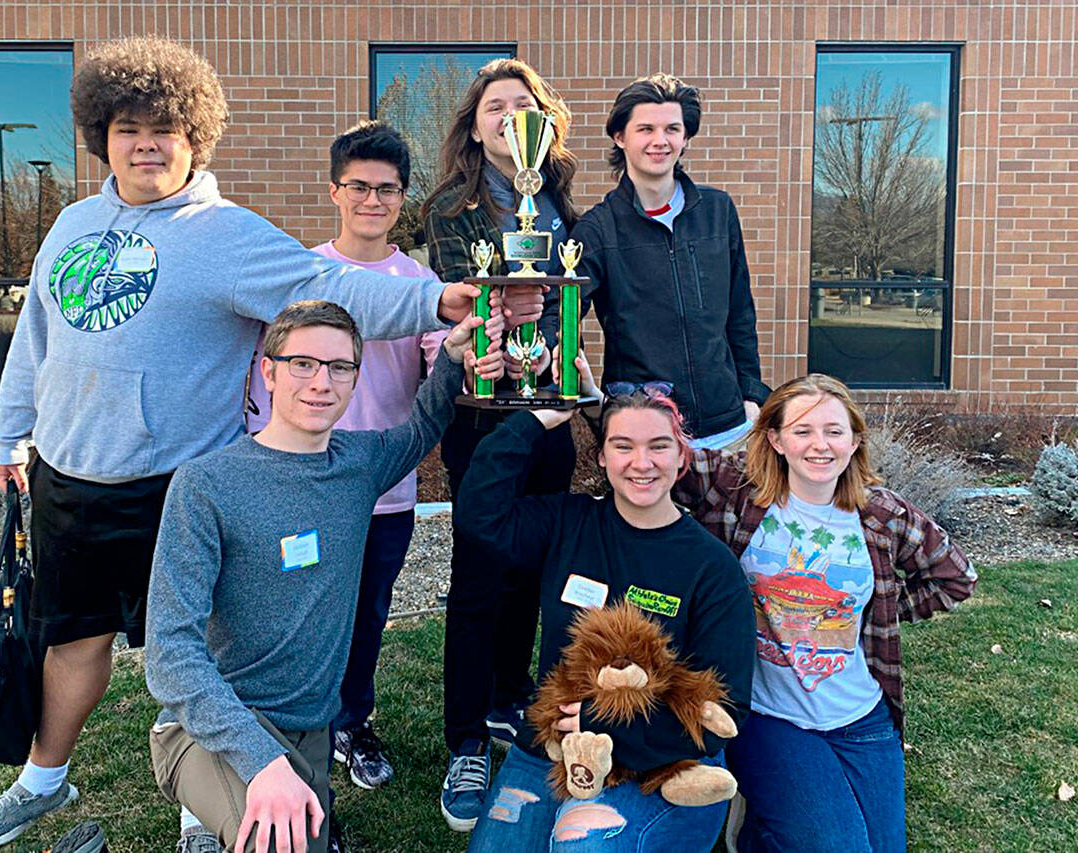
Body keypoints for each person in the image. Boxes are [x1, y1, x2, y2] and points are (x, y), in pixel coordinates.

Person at [0, 36, 537, 853]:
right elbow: (38, 330)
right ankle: (43, 780)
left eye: (165, 129)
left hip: (179, 479)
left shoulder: (225, 233)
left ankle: (205, 810)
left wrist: (438, 304)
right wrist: (8, 430)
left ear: (195, 137)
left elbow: (329, 289)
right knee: (72, 639)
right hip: (69, 474)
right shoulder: (71, 222)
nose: (146, 143)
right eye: (127, 128)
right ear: (102, 137)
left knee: (202, 651)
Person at [145, 300, 503, 853]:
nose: (321, 382)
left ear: (356, 379)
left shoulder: (357, 465)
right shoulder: (205, 485)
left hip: (310, 729)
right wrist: (261, 762)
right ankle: (205, 816)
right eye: (302, 364)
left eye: (339, 367)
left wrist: (452, 358)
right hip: (213, 727)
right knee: (279, 843)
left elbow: (423, 425)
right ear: (268, 371)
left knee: (305, 834)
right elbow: (169, 652)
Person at [671, 373, 977, 851]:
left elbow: (956, 577)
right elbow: (654, 451)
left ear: (855, 441)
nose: (820, 445)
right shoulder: (736, 491)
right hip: (770, 714)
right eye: (803, 431)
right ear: (775, 438)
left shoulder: (881, 514)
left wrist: (883, 611)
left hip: (863, 715)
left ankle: (763, 825)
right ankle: (764, 827)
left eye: (834, 432)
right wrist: (593, 398)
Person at [458, 361, 755, 852]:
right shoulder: (568, 524)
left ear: (682, 458)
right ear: (601, 457)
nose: (642, 462)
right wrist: (538, 418)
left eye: (659, 446)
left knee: (579, 846)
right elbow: (480, 515)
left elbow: (727, 709)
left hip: (662, 759)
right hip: (551, 746)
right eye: (624, 446)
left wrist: (603, 727)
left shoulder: (711, 568)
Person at [245, 121, 443, 793]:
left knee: (366, 614)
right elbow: (261, 374)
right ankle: (290, 723)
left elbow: (442, 371)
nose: (372, 200)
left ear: (402, 198)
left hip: (383, 491)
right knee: (297, 610)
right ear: (335, 191)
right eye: (359, 186)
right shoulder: (302, 276)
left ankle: (351, 721)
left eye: (387, 189)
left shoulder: (422, 283)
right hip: (300, 487)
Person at [420, 57, 581, 832]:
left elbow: (570, 305)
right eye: (495, 107)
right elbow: (470, 301)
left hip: (549, 415)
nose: (508, 118)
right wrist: (495, 327)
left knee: (532, 563)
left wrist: (567, 363)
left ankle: (509, 697)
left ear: (545, 123)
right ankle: (464, 741)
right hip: (483, 414)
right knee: (480, 570)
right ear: (475, 124)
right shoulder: (452, 206)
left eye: (523, 106)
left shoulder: (562, 204)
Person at [570, 74, 769, 451]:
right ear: (619, 137)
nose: (660, 141)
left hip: (729, 427)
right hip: (646, 432)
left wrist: (752, 396)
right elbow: (562, 315)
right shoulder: (596, 229)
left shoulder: (718, 211)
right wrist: (587, 392)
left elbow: (741, 313)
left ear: (685, 138)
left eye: (672, 129)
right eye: (645, 128)